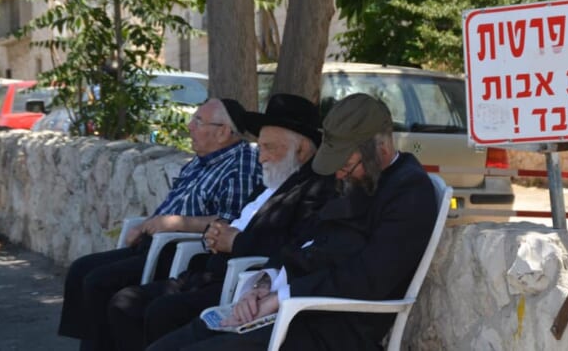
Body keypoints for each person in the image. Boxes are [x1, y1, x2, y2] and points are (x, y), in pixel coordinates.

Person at [148, 93, 439, 351]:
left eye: (345, 165)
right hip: (292, 311)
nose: (338, 175)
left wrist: (282, 297)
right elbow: (306, 240)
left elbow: (367, 278)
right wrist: (264, 283)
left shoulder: (409, 192)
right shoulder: (359, 177)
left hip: (331, 327)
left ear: (382, 150)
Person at [107, 94, 336, 350]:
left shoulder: (314, 189)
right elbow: (237, 220)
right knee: (125, 302)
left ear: (302, 150)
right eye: (260, 147)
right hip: (207, 271)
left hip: (240, 282)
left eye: (270, 148)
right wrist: (216, 233)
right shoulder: (270, 180)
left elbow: (292, 246)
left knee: (160, 312)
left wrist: (236, 241)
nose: (261, 157)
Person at [58, 98, 264, 351]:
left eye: (198, 121)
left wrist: (177, 223)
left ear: (223, 132)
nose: (190, 126)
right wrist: (146, 224)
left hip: (179, 249)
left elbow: (230, 220)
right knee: (81, 269)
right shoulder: (201, 161)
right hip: (154, 242)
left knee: (99, 282)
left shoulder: (240, 163)